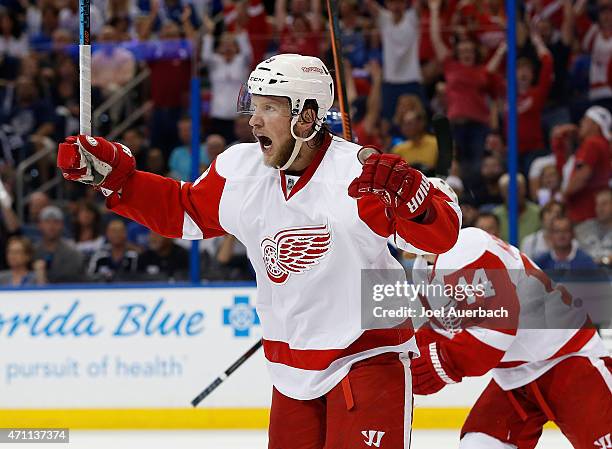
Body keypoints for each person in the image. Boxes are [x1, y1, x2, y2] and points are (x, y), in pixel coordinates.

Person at [57, 53, 461, 448]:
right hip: (290, 374)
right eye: (254, 106)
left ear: (305, 117)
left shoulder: (359, 178)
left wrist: (416, 200)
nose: (253, 120)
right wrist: (117, 180)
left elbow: (440, 237)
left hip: (367, 361)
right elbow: (184, 210)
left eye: (269, 108)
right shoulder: (240, 169)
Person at [410, 225, 611, 449]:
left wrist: (441, 363)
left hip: (567, 358)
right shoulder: (424, 269)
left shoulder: (465, 248)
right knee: (479, 445)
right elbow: (444, 328)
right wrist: (403, 362)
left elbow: (496, 331)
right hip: (515, 379)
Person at [552, 106, 611, 223]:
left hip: (584, 211)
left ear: (595, 124)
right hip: (590, 211)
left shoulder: (593, 143)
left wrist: (561, 197)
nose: (581, 122)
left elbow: (582, 176)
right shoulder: (601, 144)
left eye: (585, 119)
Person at [33, 205, 84, 283]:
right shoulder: (32, 252)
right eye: (47, 222)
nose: (51, 226)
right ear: (40, 225)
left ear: (62, 225)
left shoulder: (73, 254)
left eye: (56, 222)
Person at [534, 216, 598, 272]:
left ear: (573, 234)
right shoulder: (540, 262)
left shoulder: (586, 262)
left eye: (565, 231)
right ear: (551, 235)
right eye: (557, 231)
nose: (561, 235)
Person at [575, 188, 612, 267]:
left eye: (604, 204)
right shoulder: (583, 229)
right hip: (585, 274)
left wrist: (605, 260)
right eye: (597, 205)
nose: (600, 209)